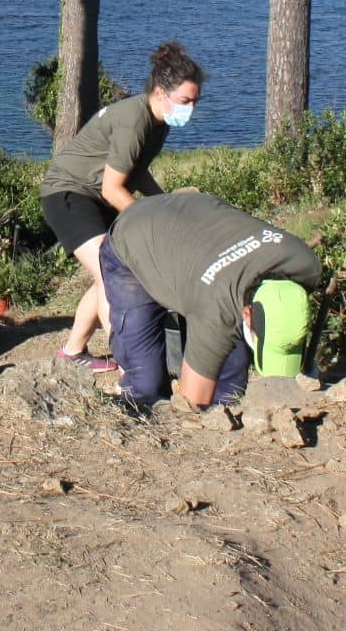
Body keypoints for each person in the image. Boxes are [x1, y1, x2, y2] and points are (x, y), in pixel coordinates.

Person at [39, 41, 205, 373]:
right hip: (69, 195)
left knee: (108, 272)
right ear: (161, 92)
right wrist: (151, 222)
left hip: (95, 197)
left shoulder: (158, 123)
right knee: (112, 274)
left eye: (195, 101)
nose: (191, 108)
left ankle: (73, 352)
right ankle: (134, 366)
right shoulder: (135, 122)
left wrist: (164, 206)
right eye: (186, 101)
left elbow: (135, 170)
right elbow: (113, 188)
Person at [101, 190, 322, 408]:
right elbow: (190, 405)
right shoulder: (217, 310)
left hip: (199, 232)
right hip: (136, 232)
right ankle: (138, 408)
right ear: (247, 314)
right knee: (145, 383)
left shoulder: (304, 265)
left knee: (229, 393)